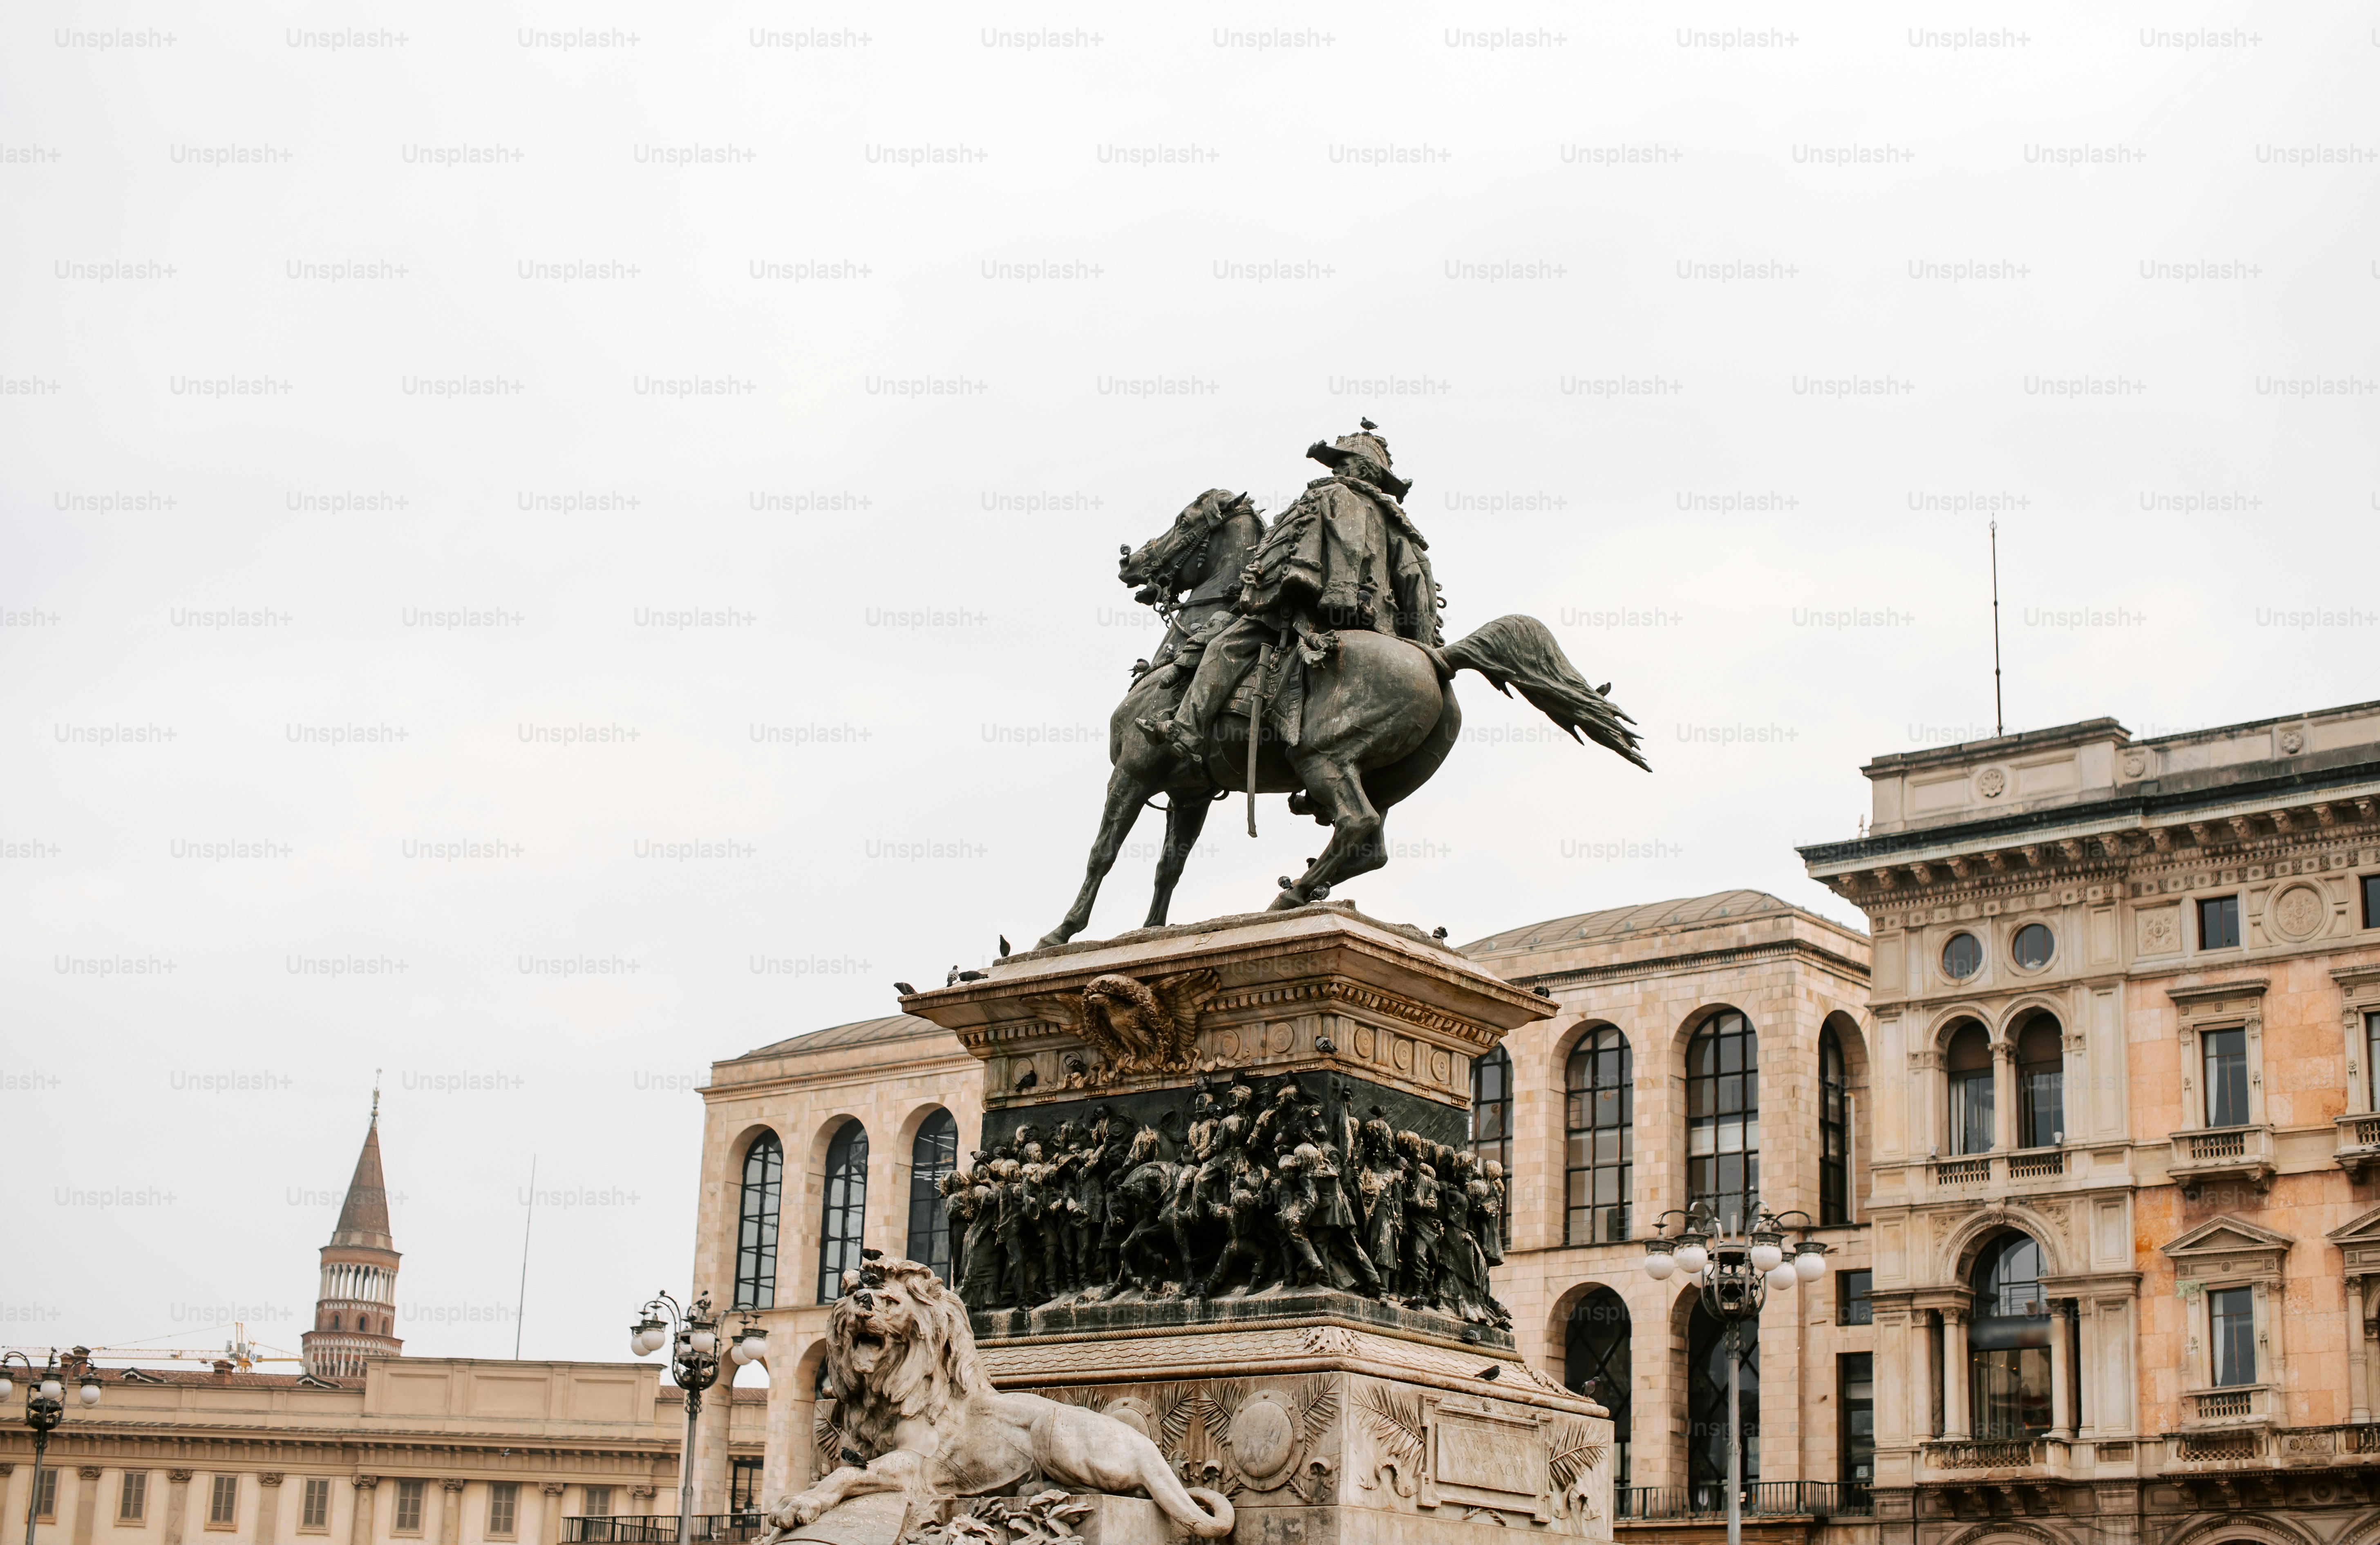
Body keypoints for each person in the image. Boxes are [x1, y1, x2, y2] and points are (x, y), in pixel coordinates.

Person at [1140, 426, 1440, 762]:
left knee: (1224, 647)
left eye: (1343, 463)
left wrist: (1254, 588)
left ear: (1362, 469)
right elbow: (1418, 586)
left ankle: (1187, 729)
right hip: (1378, 629)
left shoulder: (1325, 496)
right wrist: (1420, 644)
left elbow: (1287, 558)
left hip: (1311, 614)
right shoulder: (1398, 527)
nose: (1337, 470)